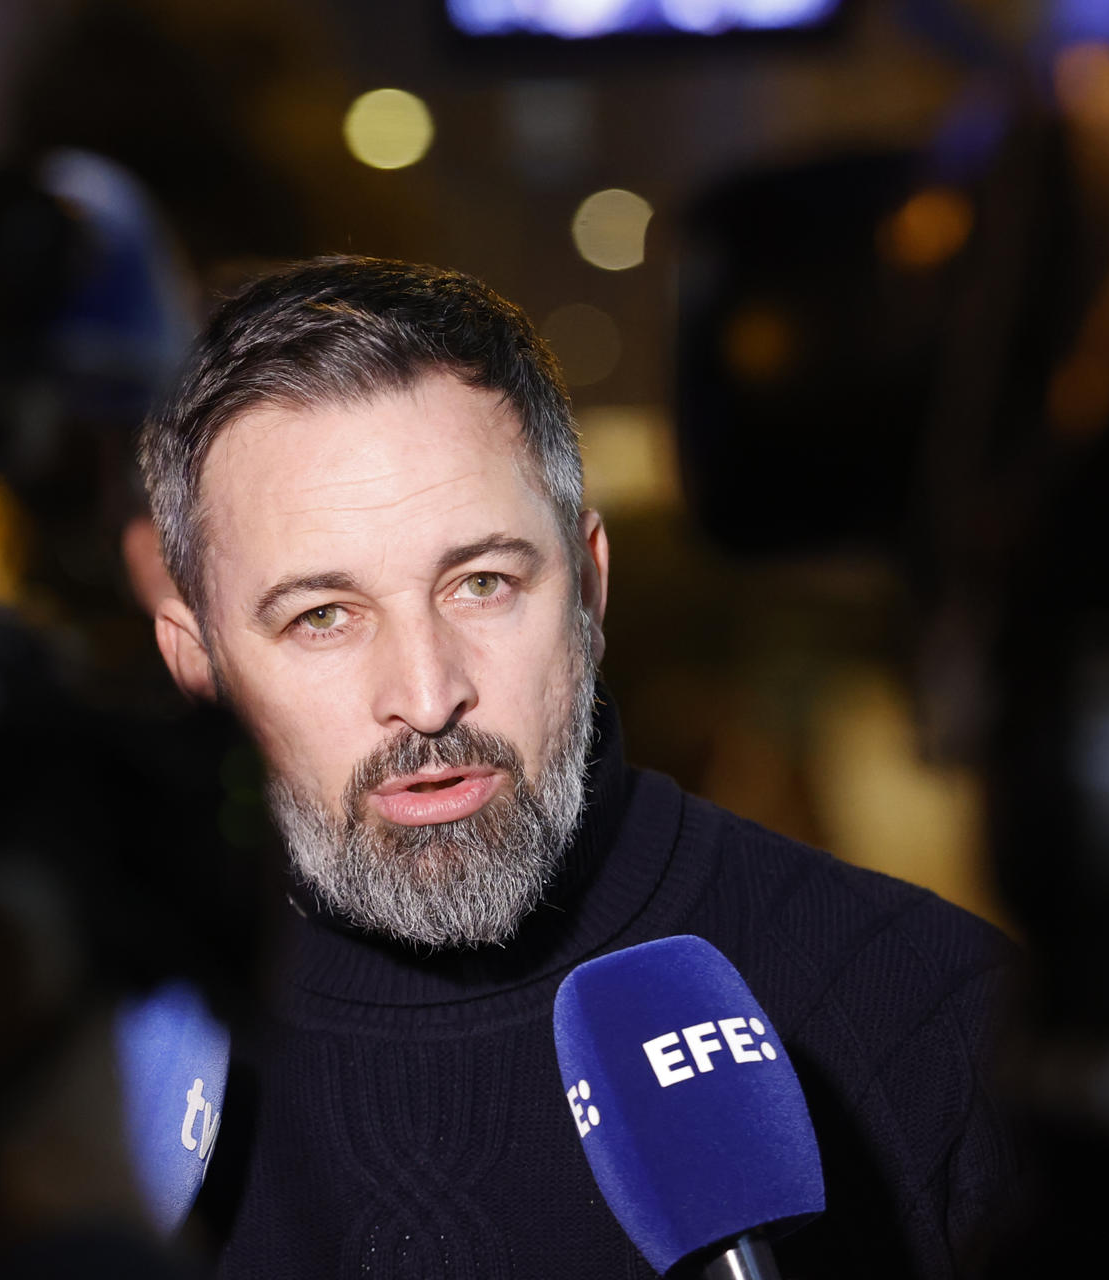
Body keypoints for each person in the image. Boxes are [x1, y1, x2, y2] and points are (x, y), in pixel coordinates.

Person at [136, 257, 1015, 1278]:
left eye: (482, 582)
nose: (427, 696)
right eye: (323, 616)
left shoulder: (923, 1012)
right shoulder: (83, 1096)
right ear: (195, 666)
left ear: (589, 588)